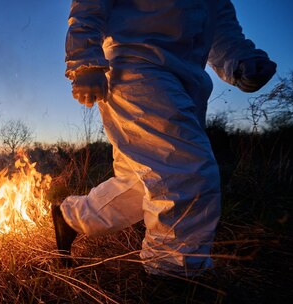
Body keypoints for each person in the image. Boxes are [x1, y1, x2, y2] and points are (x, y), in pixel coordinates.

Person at [52, 0, 276, 277]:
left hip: (189, 82)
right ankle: (172, 275)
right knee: (185, 173)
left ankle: (69, 217)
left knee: (140, 182)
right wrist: (85, 62)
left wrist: (243, 62)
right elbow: (90, 5)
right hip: (135, 66)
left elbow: (223, 32)